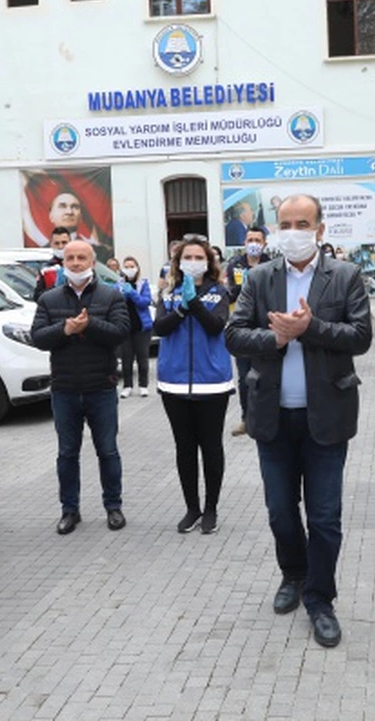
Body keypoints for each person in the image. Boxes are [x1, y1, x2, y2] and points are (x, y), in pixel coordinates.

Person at [225, 194, 373, 649]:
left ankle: (320, 599)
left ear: (320, 230)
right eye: (285, 223)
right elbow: (233, 334)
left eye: (302, 223)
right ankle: (294, 573)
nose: (293, 232)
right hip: (272, 416)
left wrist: (310, 329)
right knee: (281, 511)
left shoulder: (345, 276)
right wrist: (275, 338)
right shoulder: (259, 277)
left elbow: (361, 336)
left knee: (325, 517)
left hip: (327, 416)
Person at [30, 241, 131, 535]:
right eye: (70, 258)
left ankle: (113, 507)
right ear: (63, 262)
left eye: (81, 258)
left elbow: (120, 333)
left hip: (101, 387)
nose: (75, 263)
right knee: (67, 454)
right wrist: (65, 329)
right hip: (64, 388)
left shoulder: (111, 295)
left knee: (108, 451)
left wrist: (89, 325)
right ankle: (69, 510)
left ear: (92, 261)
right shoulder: (48, 299)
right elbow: (38, 337)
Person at [155, 236, 236, 535]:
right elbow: (159, 328)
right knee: (185, 448)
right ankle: (192, 508)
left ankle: (211, 508)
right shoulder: (168, 292)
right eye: (186, 257)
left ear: (208, 261)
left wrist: (195, 304)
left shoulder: (219, 292)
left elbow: (215, 326)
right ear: (178, 262)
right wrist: (180, 309)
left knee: (211, 447)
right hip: (174, 382)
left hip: (211, 382)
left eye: (198, 257)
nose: (192, 262)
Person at [225, 226, 269, 437]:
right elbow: (230, 294)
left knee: (266, 376)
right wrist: (242, 286)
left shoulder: (271, 264)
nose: (253, 244)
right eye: (250, 240)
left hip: (265, 328)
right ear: (244, 242)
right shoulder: (235, 265)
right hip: (242, 328)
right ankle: (246, 419)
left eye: (257, 240)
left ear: (264, 244)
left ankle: (266, 418)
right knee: (244, 378)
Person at [116, 256, 153, 399]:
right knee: (126, 358)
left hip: (141, 327)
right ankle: (127, 386)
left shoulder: (143, 284)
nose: (129, 269)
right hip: (126, 326)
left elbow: (145, 302)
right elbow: (117, 302)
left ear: (137, 268)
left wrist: (132, 293)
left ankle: (143, 385)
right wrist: (124, 294)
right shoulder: (119, 285)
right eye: (126, 266)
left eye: (132, 266)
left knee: (142, 357)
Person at [32, 226, 73, 301]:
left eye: (64, 242)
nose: (60, 246)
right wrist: (55, 289)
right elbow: (38, 297)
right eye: (57, 243)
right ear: (51, 244)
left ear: (70, 243)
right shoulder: (45, 269)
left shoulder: (79, 265)